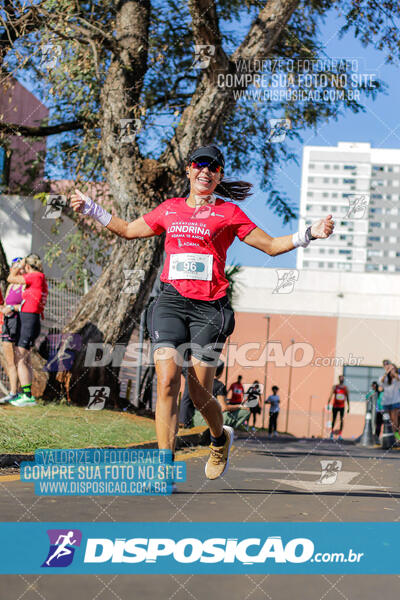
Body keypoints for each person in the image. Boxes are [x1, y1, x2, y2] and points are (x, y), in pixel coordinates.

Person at [71, 144, 334, 481]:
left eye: (213, 167)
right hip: (170, 301)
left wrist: (310, 233)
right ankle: (163, 466)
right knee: (166, 381)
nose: (205, 171)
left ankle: (219, 435)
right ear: (189, 171)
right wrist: (91, 208)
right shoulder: (169, 209)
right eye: (199, 165)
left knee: (198, 393)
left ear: (219, 175)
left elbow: (270, 247)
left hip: (210, 308)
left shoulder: (229, 213)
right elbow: (127, 230)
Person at [6, 254, 48, 407]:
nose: (22, 271)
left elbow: (10, 278)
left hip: (29, 320)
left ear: (28, 267)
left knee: (21, 357)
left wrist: (17, 266)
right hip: (30, 319)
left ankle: (27, 396)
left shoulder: (35, 276)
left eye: (24, 268)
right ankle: (27, 394)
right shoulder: (39, 277)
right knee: (24, 358)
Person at [193, 361, 250, 431]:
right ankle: (227, 430)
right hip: (209, 420)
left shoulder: (199, 382)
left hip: (196, 418)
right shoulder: (219, 385)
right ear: (221, 372)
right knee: (245, 412)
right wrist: (239, 406)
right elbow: (224, 408)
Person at [0, 257, 25, 404]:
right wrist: (4, 309)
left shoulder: (25, 285)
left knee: (21, 359)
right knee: (10, 361)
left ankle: (24, 392)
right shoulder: (10, 286)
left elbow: (28, 304)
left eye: (20, 266)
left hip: (20, 322)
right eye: (15, 266)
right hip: (7, 323)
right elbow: (3, 304)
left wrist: (13, 308)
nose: (18, 269)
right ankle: (13, 392)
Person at [380, 360, 400, 440]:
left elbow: (398, 378)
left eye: (393, 368)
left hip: (395, 402)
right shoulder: (385, 378)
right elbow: (381, 381)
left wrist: (393, 372)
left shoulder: (397, 378)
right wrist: (387, 372)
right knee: (387, 420)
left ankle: (395, 437)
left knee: (394, 421)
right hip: (386, 402)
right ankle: (388, 435)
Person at [327, 375, 350, 440]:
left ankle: (340, 434)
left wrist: (348, 407)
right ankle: (331, 433)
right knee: (333, 419)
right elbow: (331, 395)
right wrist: (328, 404)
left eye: (342, 378)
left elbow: (347, 398)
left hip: (342, 406)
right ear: (339, 379)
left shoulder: (345, 388)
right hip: (335, 406)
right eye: (340, 378)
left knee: (341, 420)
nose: (341, 379)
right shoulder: (335, 387)